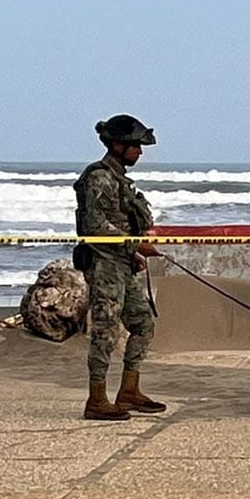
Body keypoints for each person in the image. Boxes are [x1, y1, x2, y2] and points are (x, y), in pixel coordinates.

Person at [73, 114, 165, 421]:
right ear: (117, 145)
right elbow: (95, 226)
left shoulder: (118, 179)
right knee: (105, 331)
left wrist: (132, 252)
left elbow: (118, 222)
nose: (139, 151)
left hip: (121, 263)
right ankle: (96, 399)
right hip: (103, 265)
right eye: (135, 145)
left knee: (143, 323)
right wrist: (135, 245)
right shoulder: (99, 178)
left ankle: (128, 391)